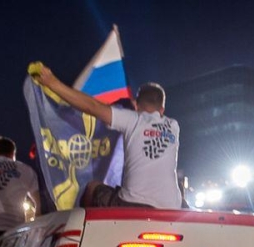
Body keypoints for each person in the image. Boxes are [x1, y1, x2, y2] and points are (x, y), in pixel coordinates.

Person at [32, 63, 182, 209]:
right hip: (171, 206)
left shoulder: (132, 119)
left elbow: (92, 107)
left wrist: (52, 83)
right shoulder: (174, 126)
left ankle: (90, 225)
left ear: (136, 105)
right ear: (162, 109)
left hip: (131, 204)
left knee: (92, 187)